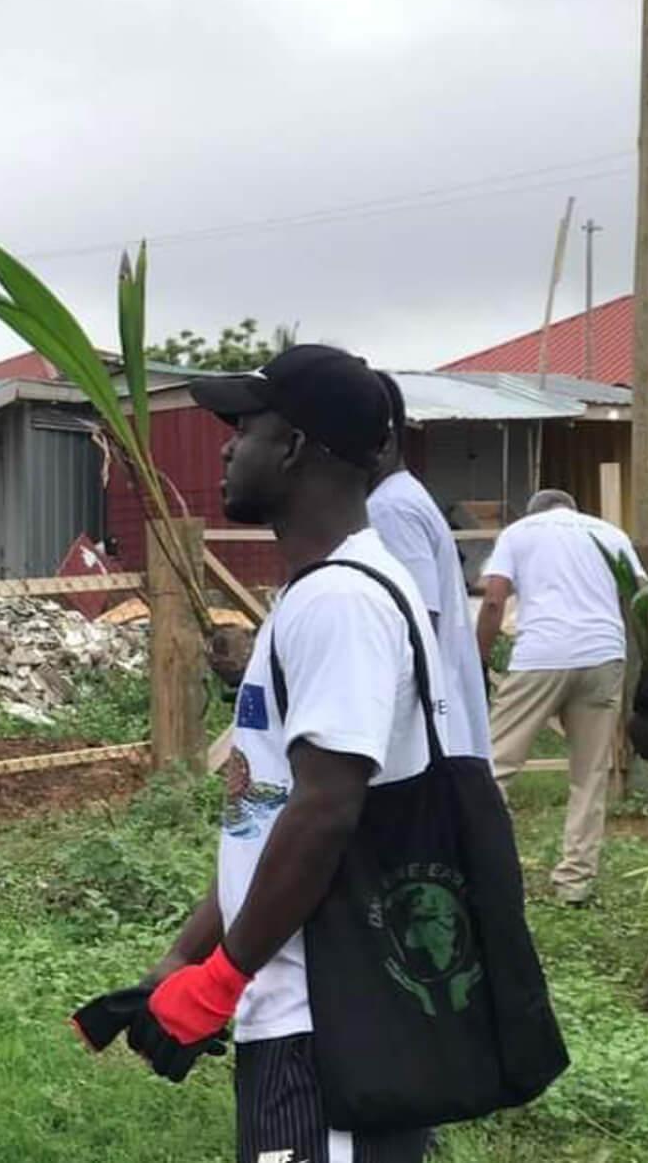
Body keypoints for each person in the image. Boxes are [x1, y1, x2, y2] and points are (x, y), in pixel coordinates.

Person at [136, 345, 448, 1163]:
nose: (228, 447)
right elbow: (268, 812)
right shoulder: (321, 591)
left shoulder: (342, 601)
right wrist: (186, 953)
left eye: (246, 427)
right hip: (300, 1005)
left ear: (298, 447)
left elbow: (326, 809)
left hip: (331, 1016)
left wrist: (220, 977)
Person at [477, 490, 641, 905]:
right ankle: (575, 884)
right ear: (572, 506)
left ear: (536, 509)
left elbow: (495, 599)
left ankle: (482, 866)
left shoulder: (519, 532)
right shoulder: (610, 533)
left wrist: (477, 655)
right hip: (604, 655)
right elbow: (640, 599)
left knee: (495, 765)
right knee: (590, 775)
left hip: (542, 655)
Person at [367, 372, 493, 760]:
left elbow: (417, 625)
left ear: (384, 443)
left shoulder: (390, 509)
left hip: (421, 742)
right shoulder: (404, 497)